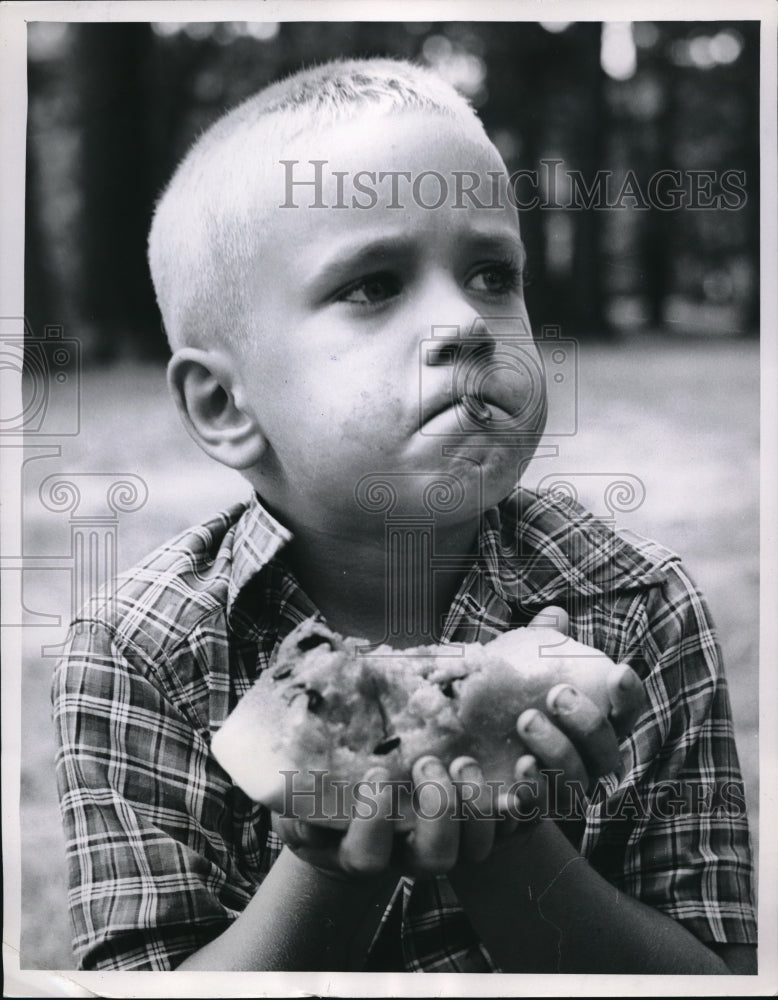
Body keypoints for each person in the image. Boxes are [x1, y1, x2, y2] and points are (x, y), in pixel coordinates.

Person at [52, 58, 756, 974]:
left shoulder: (639, 608)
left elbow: (719, 979)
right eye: (375, 285)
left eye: (494, 274)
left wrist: (508, 836)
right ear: (226, 406)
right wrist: (328, 862)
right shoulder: (136, 653)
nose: (466, 322)